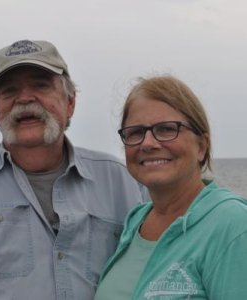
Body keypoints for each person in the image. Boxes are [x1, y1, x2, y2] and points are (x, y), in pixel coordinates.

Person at [0, 39, 147, 300]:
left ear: (70, 103)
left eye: (41, 85)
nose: (25, 98)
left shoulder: (123, 182)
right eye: (9, 90)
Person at [95, 75, 247, 299]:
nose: (147, 143)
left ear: (202, 147)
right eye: (135, 132)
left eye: (166, 129)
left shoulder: (232, 225)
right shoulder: (135, 222)